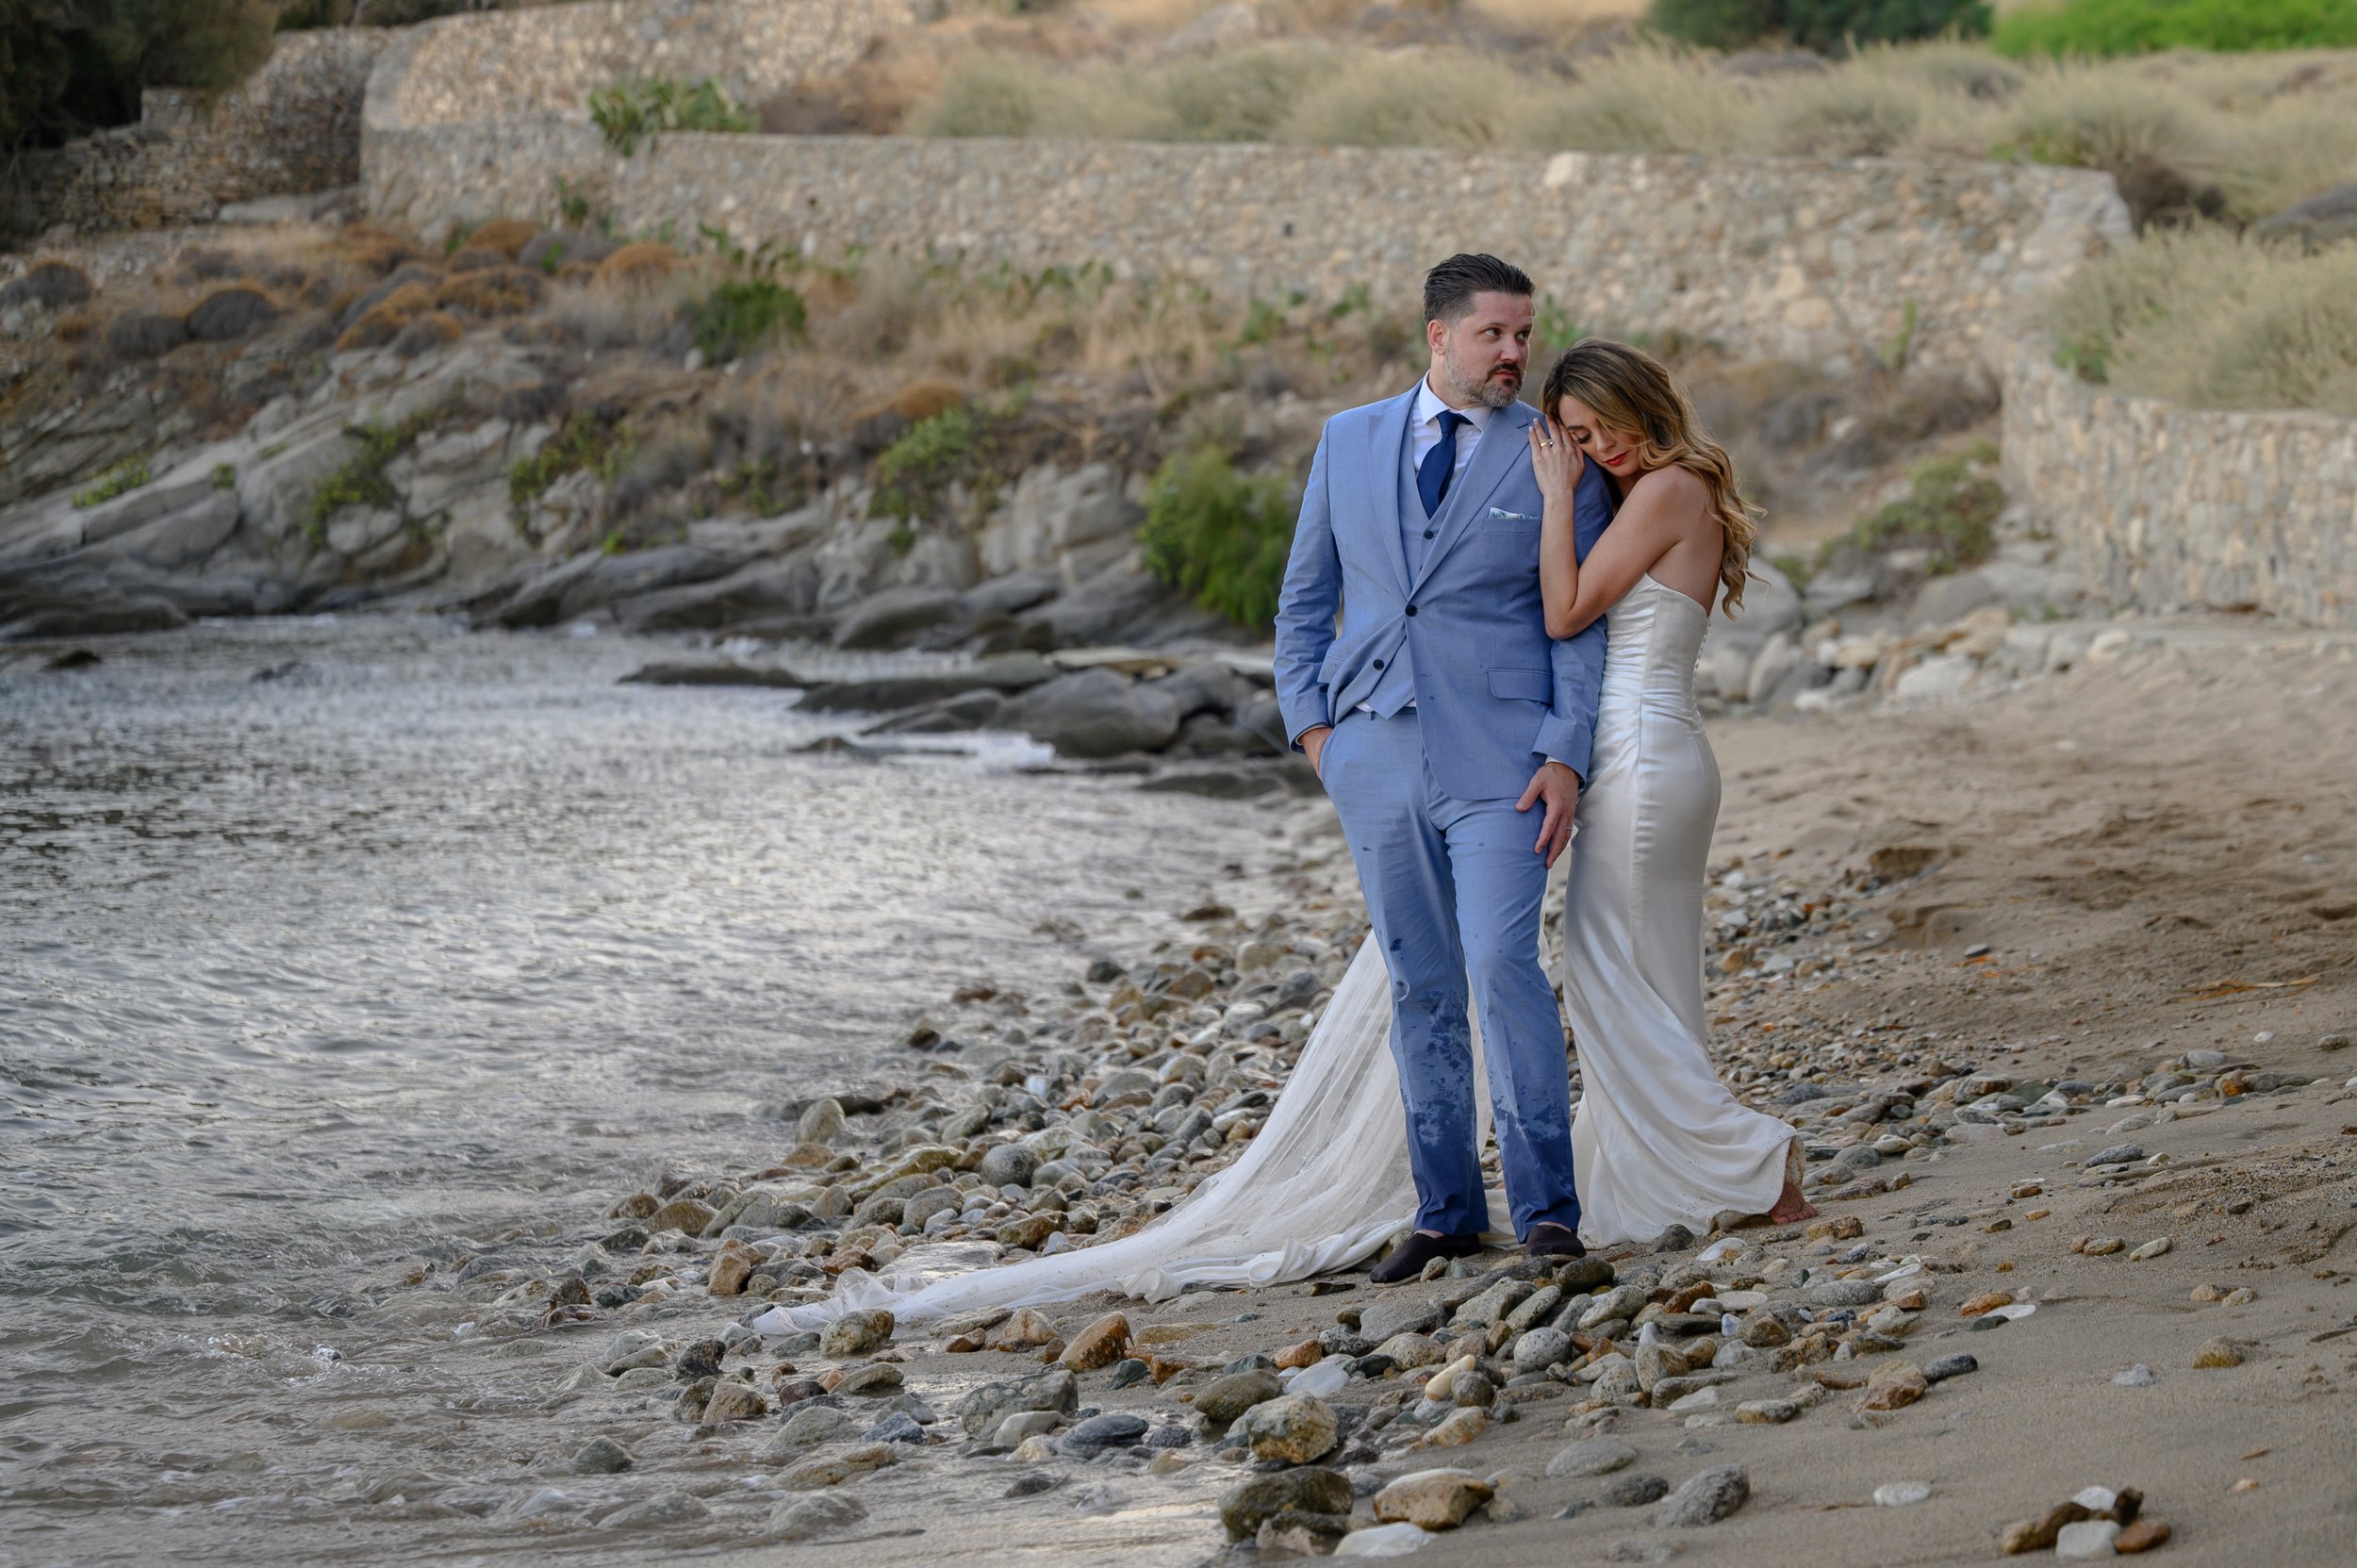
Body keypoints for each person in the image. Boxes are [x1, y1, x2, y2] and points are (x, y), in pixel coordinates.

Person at [1270, 253, 1619, 1283]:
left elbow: (1578, 628)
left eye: (1524, 334)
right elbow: (1304, 600)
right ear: (1439, 336)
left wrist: (1565, 752)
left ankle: (1548, 1210)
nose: (1516, 353)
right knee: (1420, 982)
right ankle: (1447, 1210)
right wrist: (1316, 735)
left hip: (1503, 760)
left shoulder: (1558, 459)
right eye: (1494, 335)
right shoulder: (1347, 439)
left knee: (1502, 962)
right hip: (1372, 748)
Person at [1527, 337, 1814, 1233]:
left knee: (1606, 971)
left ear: (1641, 402)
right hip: (1658, 752)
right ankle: (1674, 1178)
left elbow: (1566, 610)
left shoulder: (1665, 490)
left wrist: (1550, 500)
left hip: (1645, 759)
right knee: (1650, 976)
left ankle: (1756, 1168)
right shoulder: (1663, 489)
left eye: (1605, 423)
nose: (1598, 446)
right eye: (1576, 435)